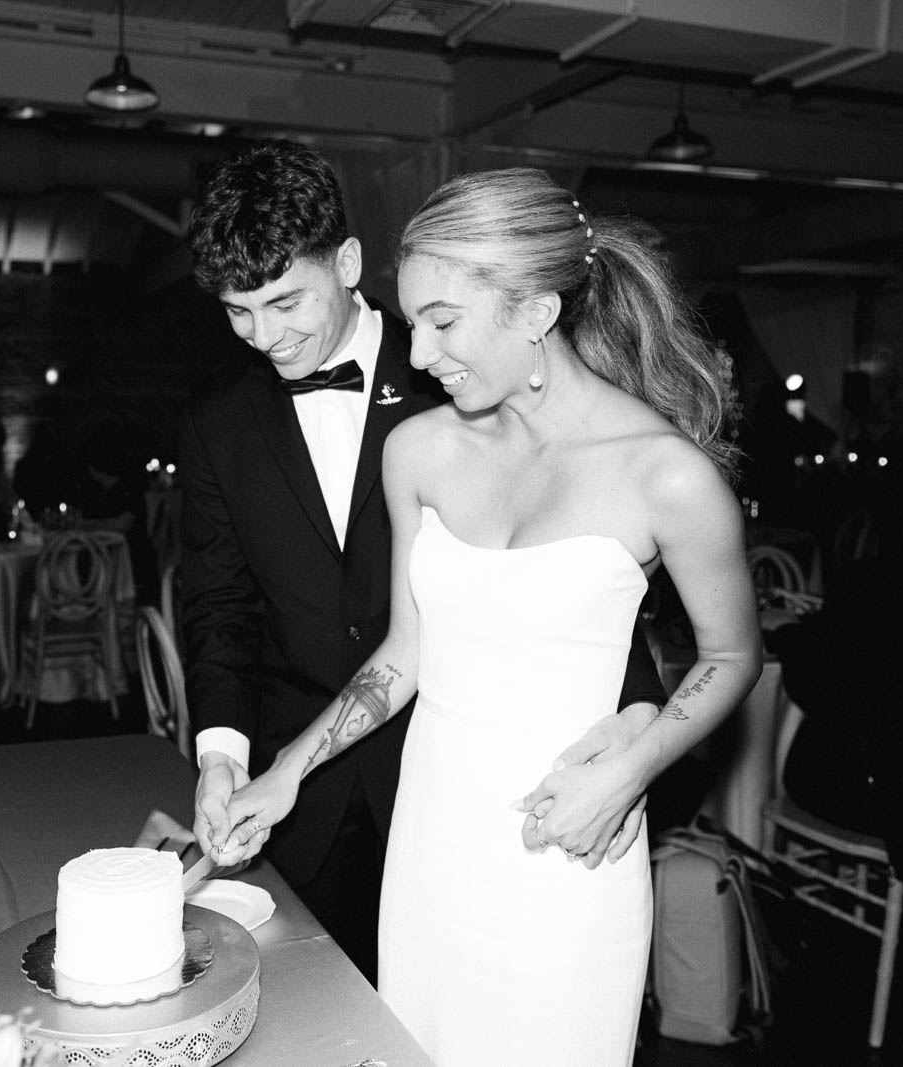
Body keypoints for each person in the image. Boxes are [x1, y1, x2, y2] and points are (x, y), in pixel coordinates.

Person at [214, 167, 763, 1065]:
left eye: (443, 321)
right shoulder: (418, 450)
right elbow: (405, 651)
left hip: (566, 847)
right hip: (432, 845)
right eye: (414, 320)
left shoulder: (667, 475)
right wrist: (285, 771)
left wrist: (638, 760)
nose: (419, 354)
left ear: (537, 311)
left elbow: (733, 652)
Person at [180, 142, 668, 985]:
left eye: (285, 301)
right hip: (301, 787)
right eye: (238, 311)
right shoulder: (217, 423)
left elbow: (583, 554)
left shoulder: (465, 364)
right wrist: (223, 752)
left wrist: (635, 728)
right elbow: (218, 603)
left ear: (348, 261)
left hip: (474, 775)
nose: (264, 336)